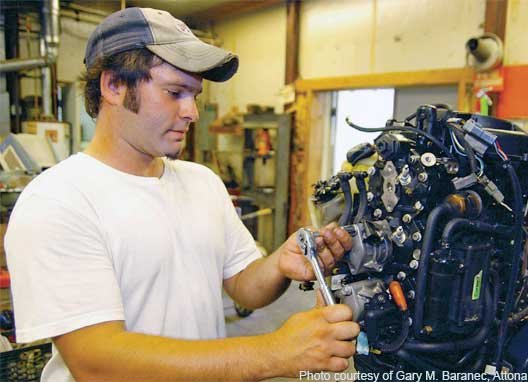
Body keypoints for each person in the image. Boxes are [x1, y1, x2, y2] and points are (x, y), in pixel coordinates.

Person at [5, 7, 359, 382]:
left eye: (194, 95)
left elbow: (243, 286)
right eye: (175, 92)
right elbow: (96, 362)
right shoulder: (59, 200)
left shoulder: (201, 181)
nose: (191, 112)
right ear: (113, 86)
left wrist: (280, 263)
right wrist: (275, 353)